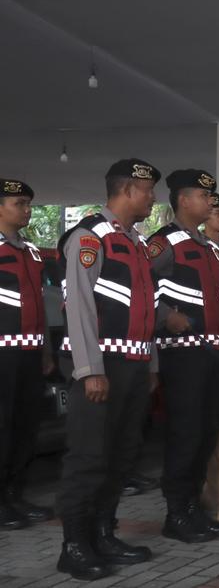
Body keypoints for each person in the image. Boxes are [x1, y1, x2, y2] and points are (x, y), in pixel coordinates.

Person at [56, 159, 162, 580]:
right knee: (89, 457)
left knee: (121, 456)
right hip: (101, 366)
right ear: (127, 190)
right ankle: (74, 546)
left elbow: (147, 309)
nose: (153, 198)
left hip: (133, 365)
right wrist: (88, 369)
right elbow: (78, 304)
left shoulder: (136, 242)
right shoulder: (90, 236)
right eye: (148, 190)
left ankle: (103, 533)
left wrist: (151, 363)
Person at [148, 169, 219, 542]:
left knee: (206, 434)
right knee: (185, 434)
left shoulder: (207, 247)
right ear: (183, 200)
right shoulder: (164, 243)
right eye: (204, 197)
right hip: (183, 357)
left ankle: (192, 508)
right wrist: (165, 316)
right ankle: (176, 513)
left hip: (213, 356)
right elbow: (141, 289)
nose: (210, 202)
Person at [0, 179, 54, 531]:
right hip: (2, 354)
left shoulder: (32, 252)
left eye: (28, 203)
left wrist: (46, 349)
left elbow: (41, 306)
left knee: (25, 427)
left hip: (30, 353)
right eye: (19, 203)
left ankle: (14, 495)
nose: (27, 210)